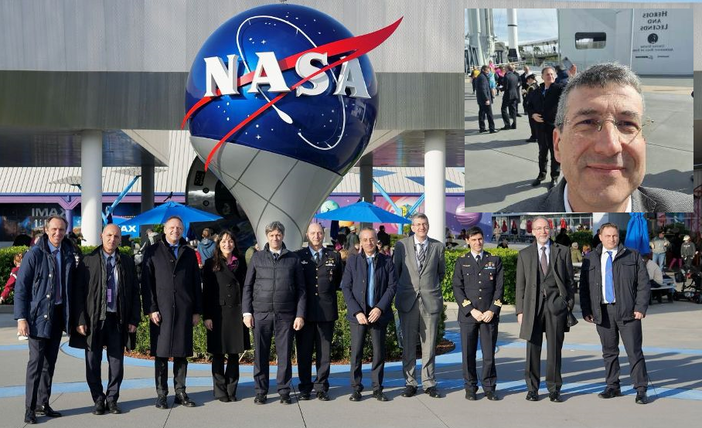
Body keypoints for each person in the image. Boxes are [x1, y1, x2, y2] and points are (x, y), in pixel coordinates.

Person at [502, 63, 692, 212]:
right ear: (558, 144)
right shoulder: (536, 91)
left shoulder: (686, 208)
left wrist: (571, 76)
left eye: (627, 124)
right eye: (587, 122)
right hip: (542, 128)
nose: (610, 146)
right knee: (542, 154)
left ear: (643, 141)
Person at [70, 224, 140, 415]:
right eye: (109, 235)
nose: (112, 239)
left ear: (120, 239)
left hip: (117, 319)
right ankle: (98, 399)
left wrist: (134, 319)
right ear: (102, 236)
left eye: (116, 236)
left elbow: (134, 292)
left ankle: (112, 399)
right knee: (92, 362)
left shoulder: (126, 261)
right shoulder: (88, 261)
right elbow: (78, 293)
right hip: (94, 320)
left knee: (116, 362)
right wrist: (80, 319)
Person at [14, 216, 77, 424]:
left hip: (58, 316)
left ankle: (43, 403)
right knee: (35, 363)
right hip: (37, 318)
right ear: (46, 230)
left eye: (61, 230)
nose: (57, 233)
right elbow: (21, 288)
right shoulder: (34, 254)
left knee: (50, 363)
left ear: (65, 231)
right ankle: (29, 409)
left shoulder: (68, 253)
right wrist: (21, 318)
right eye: (54, 229)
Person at [579, 223, 650, 404]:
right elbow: (584, 287)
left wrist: (640, 308)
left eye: (615, 236)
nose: (612, 239)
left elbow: (643, 284)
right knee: (609, 352)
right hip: (603, 312)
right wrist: (586, 310)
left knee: (634, 351)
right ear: (600, 237)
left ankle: (641, 389)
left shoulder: (632, 255)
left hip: (628, 312)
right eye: (608, 236)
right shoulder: (591, 258)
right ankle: (612, 386)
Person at [142, 216, 203, 409]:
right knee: (161, 354)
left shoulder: (189, 253)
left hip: (184, 309)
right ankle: (161, 394)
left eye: (179, 228)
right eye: (172, 227)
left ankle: (180, 392)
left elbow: (196, 283)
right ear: (165, 229)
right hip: (162, 310)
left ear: (182, 230)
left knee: (181, 353)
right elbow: (147, 283)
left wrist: (196, 311)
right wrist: (151, 309)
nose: (175, 230)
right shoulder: (152, 251)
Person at [242, 221, 306, 405]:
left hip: (285, 315)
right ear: (266, 237)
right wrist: (247, 312)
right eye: (271, 235)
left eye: (278, 235)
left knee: (284, 355)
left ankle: (284, 390)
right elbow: (248, 286)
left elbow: (301, 290)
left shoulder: (292, 259)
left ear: (283, 236)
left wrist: (299, 315)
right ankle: (260, 391)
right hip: (261, 314)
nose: (275, 238)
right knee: (260, 355)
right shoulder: (257, 258)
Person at [515, 217, 574, 403]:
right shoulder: (524, 254)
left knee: (555, 350)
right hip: (532, 308)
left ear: (551, 230)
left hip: (556, 307)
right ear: (532, 231)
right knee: (532, 349)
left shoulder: (562, 251)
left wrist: (567, 304)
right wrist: (520, 311)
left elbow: (570, 282)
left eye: (546, 228)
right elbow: (520, 286)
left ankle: (554, 388)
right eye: (539, 229)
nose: (543, 232)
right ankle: (532, 389)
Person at [393, 213, 445, 399]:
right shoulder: (401, 246)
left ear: (428, 226)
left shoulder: (438, 247)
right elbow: (396, 271)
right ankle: (410, 382)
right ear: (412, 227)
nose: (421, 227)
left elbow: (441, 273)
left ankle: (429, 382)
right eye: (418, 224)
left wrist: (427, 288)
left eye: (424, 224)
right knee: (407, 344)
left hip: (430, 301)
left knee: (429, 344)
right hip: (408, 300)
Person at [342, 227, 397, 402]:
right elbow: (346, 287)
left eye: (371, 239)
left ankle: (377, 388)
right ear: (360, 242)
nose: (369, 243)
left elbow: (392, 287)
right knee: (356, 353)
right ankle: (356, 388)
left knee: (379, 353)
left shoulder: (387, 262)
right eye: (365, 239)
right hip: (359, 316)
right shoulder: (353, 262)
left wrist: (380, 308)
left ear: (377, 241)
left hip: (378, 315)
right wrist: (357, 311)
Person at [452, 226, 503, 401]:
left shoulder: (494, 260)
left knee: (488, 354)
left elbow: (499, 288)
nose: (477, 242)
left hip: (489, 315)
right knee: (468, 354)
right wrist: (471, 310)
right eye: (473, 240)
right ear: (468, 241)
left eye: (480, 239)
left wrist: (492, 310)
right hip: (468, 316)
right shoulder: (461, 261)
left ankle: (489, 387)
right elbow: (457, 288)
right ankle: (470, 387)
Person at [295, 223, 343, 401]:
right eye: (313, 233)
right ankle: (305, 387)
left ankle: (322, 386)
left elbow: (337, 281)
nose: (316, 236)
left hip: (326, 312)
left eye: (319, 233)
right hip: (305, 313)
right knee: (304, 352)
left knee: (324, 352)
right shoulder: (298, 256)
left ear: (324, 235)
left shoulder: (334, 256)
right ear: (307, 235)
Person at [202, 230, 249, 402]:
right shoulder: (210, 263)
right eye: (223, 241)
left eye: (230, 241)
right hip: (218, 314)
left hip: (237, 313)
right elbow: (206, 292)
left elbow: (246, 288)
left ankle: (232, 389)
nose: (227, 244)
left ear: (234, 244)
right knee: (219, 353)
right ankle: (220, 390)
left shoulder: (241, 262)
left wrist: (247, 311)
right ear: (218, 244)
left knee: (234, 353)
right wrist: (207, 316)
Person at [475, 65, 497, 134]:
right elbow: (483, 89)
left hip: (481, 99)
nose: (489, 71)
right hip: (484, 99)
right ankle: (492, 129)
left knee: (481, 113)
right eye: (488, 70)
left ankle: (482, 128)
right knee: (489, 114)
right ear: (484, 70)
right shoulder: (482, 77)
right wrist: (486, 99)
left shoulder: (481, 76)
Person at [500, 64, 520, 130]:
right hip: (514, 94)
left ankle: (507, 125)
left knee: (503, 109)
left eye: (505, 68)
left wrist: (500, 88)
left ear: (507, 69)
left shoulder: (507, 76)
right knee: (513, 110)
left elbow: (506, 87)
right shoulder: (515, 76)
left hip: (508, 95)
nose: (504, 69)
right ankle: (514, 125)